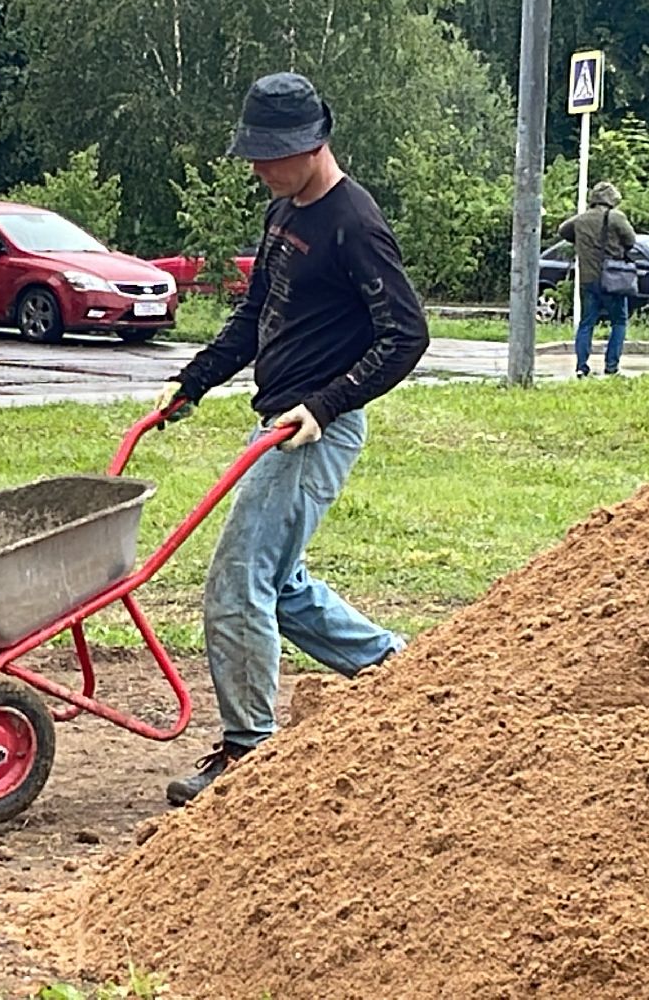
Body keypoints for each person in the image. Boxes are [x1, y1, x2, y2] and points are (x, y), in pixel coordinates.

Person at [153, 71, 429, 805]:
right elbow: (256, 315)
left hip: (314, 432)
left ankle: (249, 750)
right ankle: (402, 670)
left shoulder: (354, 223)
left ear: (313, 145)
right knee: (279, 585)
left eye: (271, 154)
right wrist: (194, 380)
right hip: (277, 421)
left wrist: (328, 405)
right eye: (255, 152)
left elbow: (406, 335)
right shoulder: (285, 213)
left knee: (237, 579)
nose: (258, 167)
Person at [558, 181, 637, 378]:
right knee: (619, 321)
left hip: (587, 278)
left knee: (587, 322)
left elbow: (563, 230)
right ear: (612, 199)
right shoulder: (616, 218)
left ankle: (581, 367)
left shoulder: (580, 220)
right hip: (613, 278)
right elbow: (631, 241)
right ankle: (611, 366)